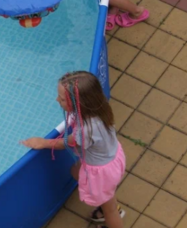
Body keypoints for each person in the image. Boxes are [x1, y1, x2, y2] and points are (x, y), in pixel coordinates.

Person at [22, 71, 125, 228]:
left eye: (62, 99)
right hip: (112, 157)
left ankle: (110, 212)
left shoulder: (87, 129)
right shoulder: (99, 108)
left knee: (110, 209)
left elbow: (66, 143)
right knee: (76, 172)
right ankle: (107, 199)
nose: (57, 100)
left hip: (102, 173)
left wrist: (43, 142)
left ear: (79, 103)